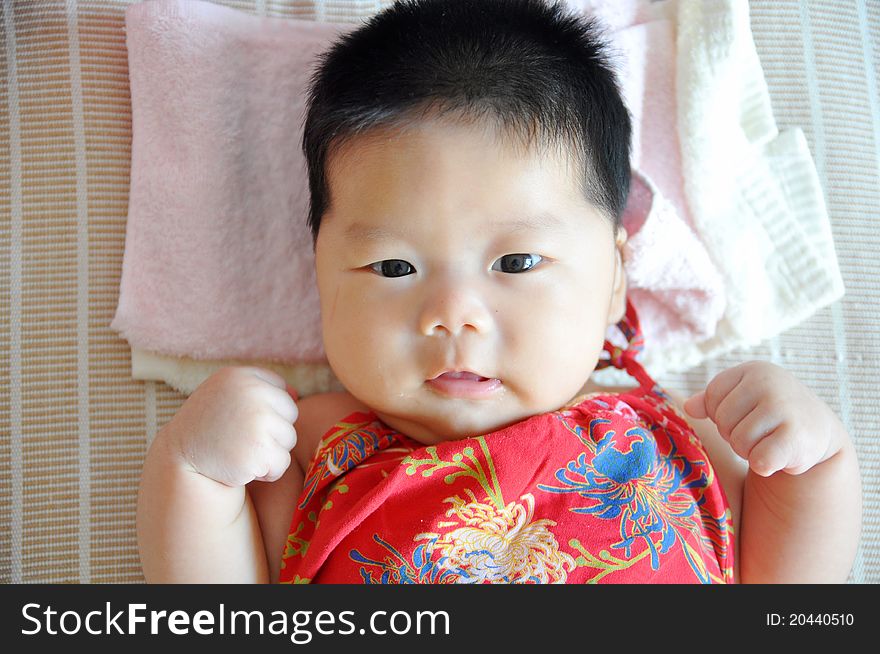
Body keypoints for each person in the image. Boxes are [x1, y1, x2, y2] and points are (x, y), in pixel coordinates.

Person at [136, 0, 861, 583]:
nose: (453, 314)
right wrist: (197, 473)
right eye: (393, 269)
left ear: (615, 276)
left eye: (516, 262)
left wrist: (814, 468)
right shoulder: (308, 452)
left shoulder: (680, 441)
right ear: (318, 271)